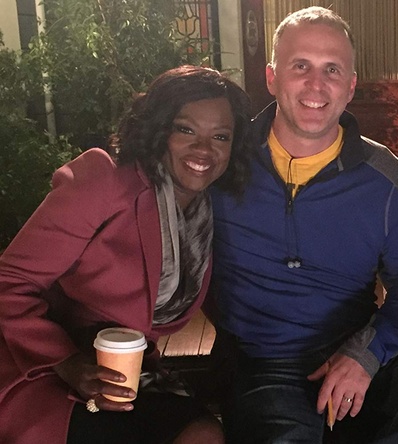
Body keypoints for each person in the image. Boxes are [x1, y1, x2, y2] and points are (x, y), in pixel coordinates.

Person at [0, 65, 252, 444]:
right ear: (160, 129)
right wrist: (67, 362)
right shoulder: (105, 180)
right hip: (46, 370)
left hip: (128, 374)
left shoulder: (211, 210)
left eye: (220, 136)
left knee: (204, 434)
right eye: (185, 130)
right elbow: (9, 282)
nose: (204, 148)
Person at [210, 7, 398, 444]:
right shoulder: (224, 162)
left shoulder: (385, 180)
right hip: (262, 362)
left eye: (332, 69)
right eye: (301, 66)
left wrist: (367, 352)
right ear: (272, 77)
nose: (317, 84)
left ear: (350, 86)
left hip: (358, 347)